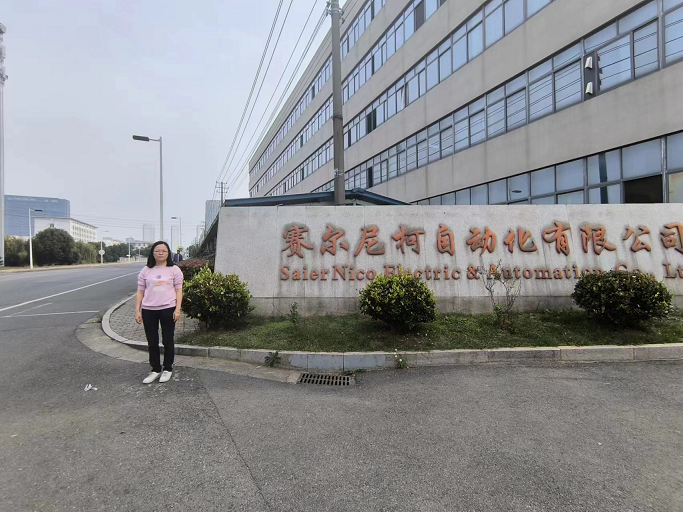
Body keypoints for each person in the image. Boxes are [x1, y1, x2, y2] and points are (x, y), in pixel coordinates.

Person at [135, 241, 184, 384]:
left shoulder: (174, 270)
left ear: (168, 253)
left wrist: (177, 309)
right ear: (153, 253)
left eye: (164, 251)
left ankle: (168, 368)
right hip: (149, 310)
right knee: (152, 342)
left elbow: (179, 290)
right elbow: (140, 291)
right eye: (157, 251)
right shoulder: (146, 270)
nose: (161, 253)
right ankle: (155, 369)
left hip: (168, 309)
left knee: (167, 340)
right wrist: (137, 310)